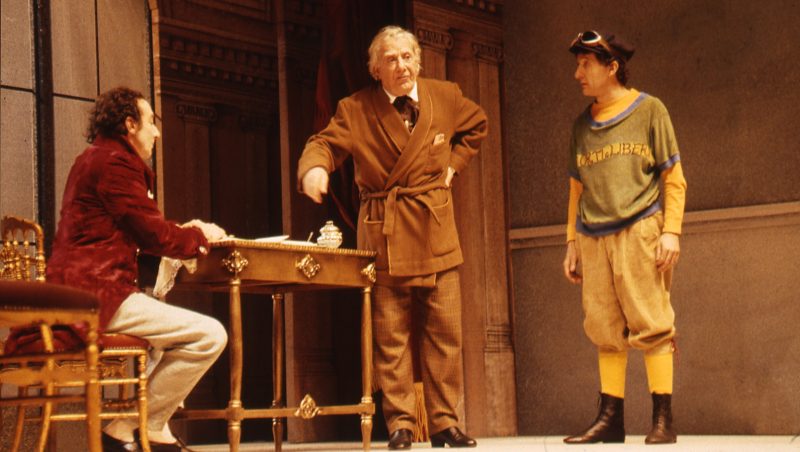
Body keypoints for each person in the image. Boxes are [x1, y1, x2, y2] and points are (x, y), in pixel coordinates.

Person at [298, 25, 486, 450]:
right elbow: (324, 143)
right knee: (391, 334)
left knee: (446, 332)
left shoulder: (446, 96)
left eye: (407, 57)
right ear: (375, 70)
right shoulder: (354, 109)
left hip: (436, 227)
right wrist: (316, 168)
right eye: (391, 60)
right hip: (385, 230)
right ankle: (401, 423)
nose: (401, 66)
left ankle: (444, 423)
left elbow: (477, 124)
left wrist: (453, 165)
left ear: (418, 60)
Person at [47, 87, 228, 452]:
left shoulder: (94, 158)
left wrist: (181, 233)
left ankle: (149, 431)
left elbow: (131, 228)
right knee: (209, 335)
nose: (157, 132)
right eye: (151, 123)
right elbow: (152, 233)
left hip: (80, 289)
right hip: (96, 295)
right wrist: (199, 236)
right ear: (130, 124)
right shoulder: (116, 162)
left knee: (173, 336)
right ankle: (135, 426)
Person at [561, 30, 687, 445]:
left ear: (612, 67)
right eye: (577, 65)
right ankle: (610, 419)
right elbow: (576, 189)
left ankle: (662, 419)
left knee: (652, 321)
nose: (578, 73)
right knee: (603, 325)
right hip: (593, 236)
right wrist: (571, 242)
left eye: (586, 64)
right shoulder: (582, 126)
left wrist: (671, 231)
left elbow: (673, 178)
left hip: (640, 229)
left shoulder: (650, 110)